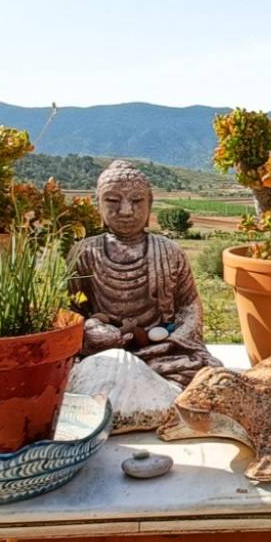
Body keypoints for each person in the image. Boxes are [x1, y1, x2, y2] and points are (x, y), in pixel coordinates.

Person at [67, 160, 220, 386]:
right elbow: (70, 308)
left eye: (137, 201)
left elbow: (189, 306)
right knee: (76, 371)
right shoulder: (86, 252)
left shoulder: (169, 250)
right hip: (104, 351)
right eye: (112, 200)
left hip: (159, 350)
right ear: (97, 204)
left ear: (150, 203)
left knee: (204, 370)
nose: (126, 211)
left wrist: (175, 339)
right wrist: (90, 330)